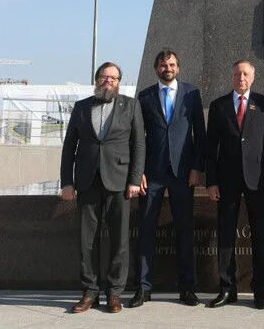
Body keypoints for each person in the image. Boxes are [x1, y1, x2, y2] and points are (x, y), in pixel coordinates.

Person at [59, 61, 145, 315]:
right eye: (104, 77)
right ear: (96, 80)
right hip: (87, 180)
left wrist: (134, 179)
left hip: (119, 181)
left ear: (119, 82)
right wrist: (67, 181)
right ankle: (90, 292)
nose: (109, 81)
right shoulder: (82, 107)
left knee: (119, 239)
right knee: (87, 240)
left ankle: (114, 293)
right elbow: (69, 147)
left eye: (114, 78)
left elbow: (139, 145)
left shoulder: (130, 105)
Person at [130, 49, 206, 308]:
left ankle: (187, 288)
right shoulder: (145, 97)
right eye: (163, 65)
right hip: (152, 174)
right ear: (156, 69)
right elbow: (138, 138)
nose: (168, 68)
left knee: (184, 230)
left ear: (178, 67)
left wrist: (197, 167)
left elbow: (200, 134)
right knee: (146, 231)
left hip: (183, 174)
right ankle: (143, 287)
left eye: (172, 64)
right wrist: (137, 170)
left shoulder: (192, 94)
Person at [205, 60, 264, 310]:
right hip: (227, 181)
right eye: (237, 74)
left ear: (253, 77)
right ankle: (227, 288)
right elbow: (210, 147)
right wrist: (211, 181)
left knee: (260, 234)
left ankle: (260, 290)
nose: (241, 78)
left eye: (245, 74)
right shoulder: (219, 106)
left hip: (258, 180)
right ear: (231, 77)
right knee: (226, 235)